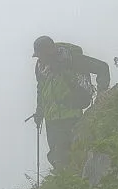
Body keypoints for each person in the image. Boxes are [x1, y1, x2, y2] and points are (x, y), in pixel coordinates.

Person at [31, 35, 111, 170]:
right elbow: (41, 90)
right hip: (52, 120)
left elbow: (102, 67)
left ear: (49, 51)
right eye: (38, 56)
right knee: (58, 156)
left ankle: (73, 181)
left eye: (41, 55)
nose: (39, 59)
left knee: (67, 154)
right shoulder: (40, 68)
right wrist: (40, 111)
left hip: (71, 115)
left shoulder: (70, 60)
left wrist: (102, 93)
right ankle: (68, 182)